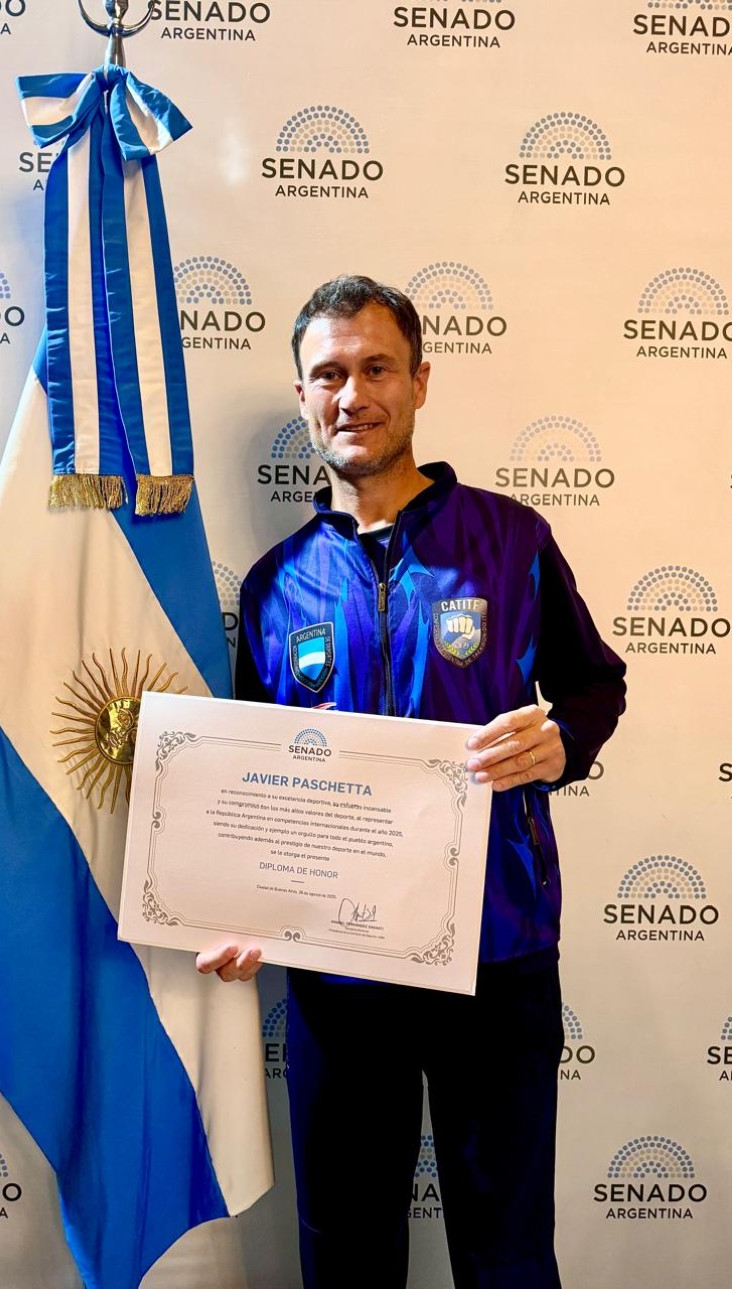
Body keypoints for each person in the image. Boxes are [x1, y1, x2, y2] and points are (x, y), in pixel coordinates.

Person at [197, 276, 626, 1288]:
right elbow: (253, 775)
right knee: (345, 1251)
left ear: (420, 381)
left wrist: (564, 739)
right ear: (305, 398)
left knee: (508, 1248)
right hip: (338, 974)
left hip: (498, 954)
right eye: (329, 374)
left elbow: (593, 682)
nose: (353, 394)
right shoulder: (273, 585)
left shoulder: (511, 539)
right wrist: (248, 892)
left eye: (375, 367)